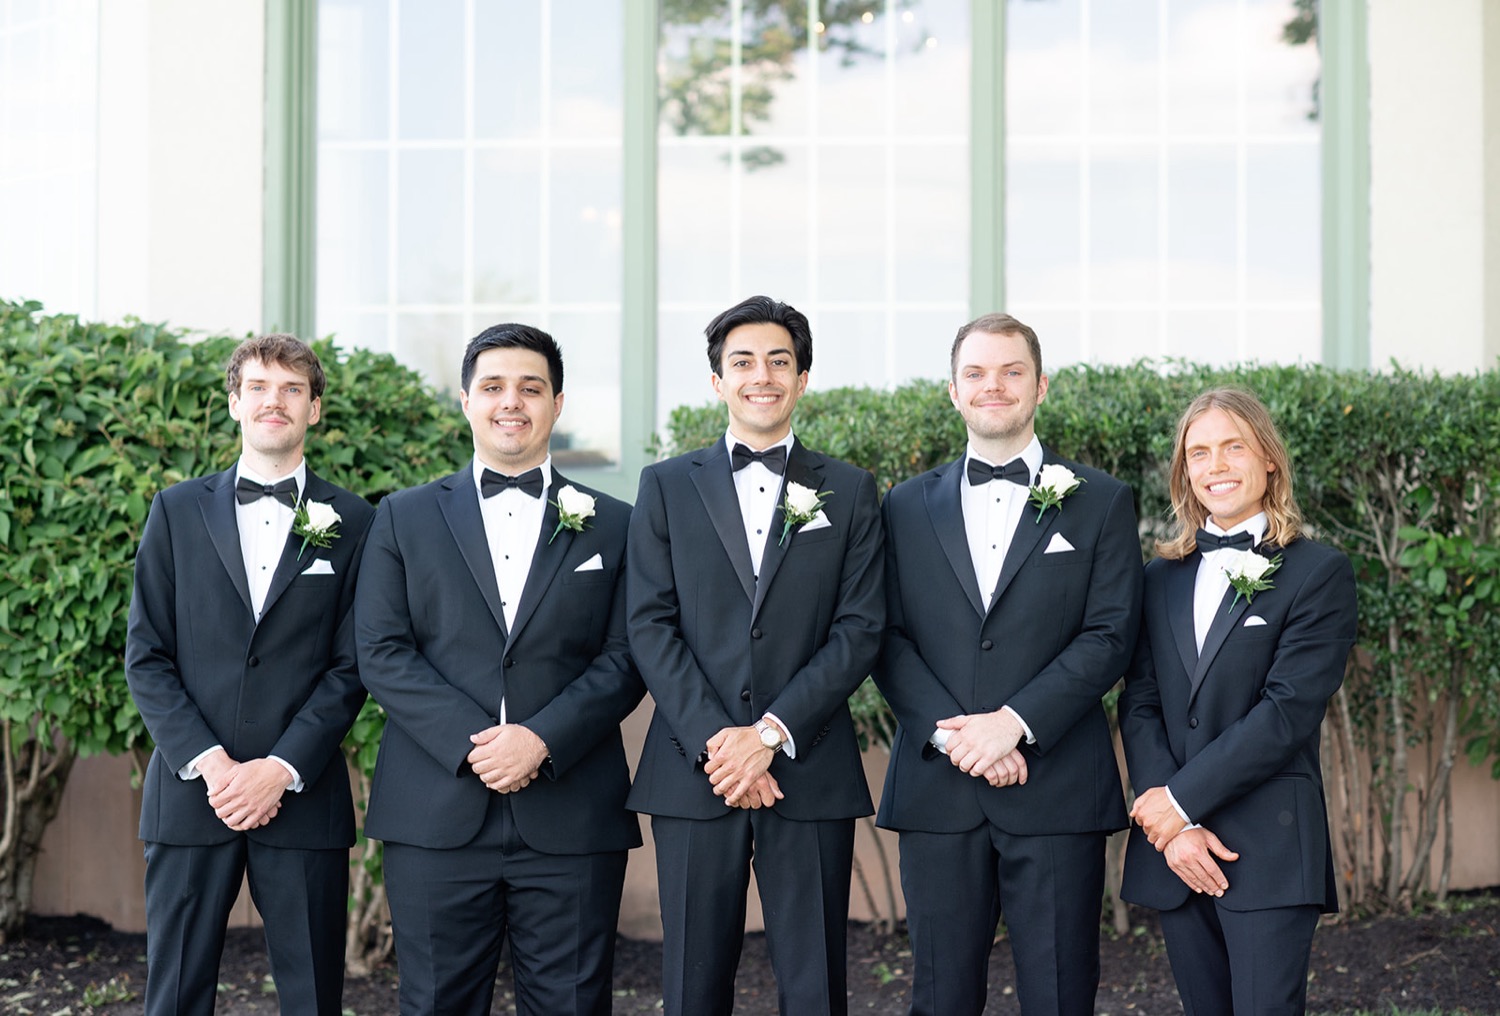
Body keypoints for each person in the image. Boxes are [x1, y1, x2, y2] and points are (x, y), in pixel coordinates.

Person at [354, 323, 643, 1016]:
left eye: (530, 387)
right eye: (493, 387)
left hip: (571, 811)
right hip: (435, 812)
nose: (511, 402)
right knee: (435, 1004)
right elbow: (383, 651)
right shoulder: (401, 517)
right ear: (465, 401)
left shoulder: (616, 523)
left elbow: (630, 654)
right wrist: (477, 744)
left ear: (557, 403)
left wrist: (540, 740)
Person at [873, 313, 1142, 1016]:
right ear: (954, 391)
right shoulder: (903, 506)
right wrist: (961, 738)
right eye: (977, 373)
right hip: (939, 788)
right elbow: (884, 636)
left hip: (1056, 786)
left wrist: (1014, 725)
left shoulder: (1102, 501)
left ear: (1040, 385)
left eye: (1011, 371)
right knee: (940, 996)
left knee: (1060, 993)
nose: (994, 386)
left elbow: (1110, 635)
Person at [626, 295, 883, 1016]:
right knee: (692, 984)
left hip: (808, 763)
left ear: (803, 378)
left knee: (816, 983)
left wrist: (769, 735)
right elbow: (649, 624)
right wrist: (723, 745)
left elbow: (860, 628)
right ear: (717, 381)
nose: (760, 375)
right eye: (742, 362)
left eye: (779, 361)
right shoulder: (665, 486)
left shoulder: (852, 489)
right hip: (692, 769)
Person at [125, 333, 375, 1016]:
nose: (276, 402)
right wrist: (212, 766)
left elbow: (353, 666)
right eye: (260, 388)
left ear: (314, 410)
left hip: (302, 796)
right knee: (173, 994)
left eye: (293, 390)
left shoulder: (356, 521)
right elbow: (147, 654)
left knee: (313, 997)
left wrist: (279, 768)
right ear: (235, 402)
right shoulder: (175, 512)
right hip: (190, 796)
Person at [1118, 387, 1357, 1015]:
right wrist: (1170, 826)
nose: (1216, 466)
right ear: (1185, 472)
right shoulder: (1157, 577)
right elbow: (1140, 700)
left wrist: (1177, 802)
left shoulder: (1317, 572)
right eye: (1199, 453)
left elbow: (1287, 713)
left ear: (1268, 459)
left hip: (1269, 845)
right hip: (1176, 850)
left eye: (1233, 447)